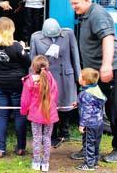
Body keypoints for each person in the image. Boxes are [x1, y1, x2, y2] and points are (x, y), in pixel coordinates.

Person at [69, 0, 117, 163]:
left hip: (111, 71)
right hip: (94, 74)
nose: (73, 7)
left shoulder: (98, 15)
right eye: (72, 3)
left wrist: (106, 66)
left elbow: (108, 38)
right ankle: (89, 147)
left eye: (76, 3)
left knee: (114, 110)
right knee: (90, 110)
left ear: (87, 0)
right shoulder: (86, 15)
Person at [30, 18, 80, 147]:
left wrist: (78, 75)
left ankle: (65, 131)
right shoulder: (35, 38)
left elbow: (75, 55)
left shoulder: (68, 34)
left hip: (65, 75)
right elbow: (33, 60)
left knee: (66, 104)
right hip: (47, 78)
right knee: (50, 105)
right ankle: (52, 133)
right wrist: (33, 79)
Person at [0, 17, 30, 158]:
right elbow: (28, 63)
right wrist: (23, 49)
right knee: (19, 114)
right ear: (10, 30)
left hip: (0, 82)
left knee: (3, 115)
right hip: (17, 83)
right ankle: (20, 148)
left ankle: (0, 149)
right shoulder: (16, 46)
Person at [20, 55, 59, 172]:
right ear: (47, 66)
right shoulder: (50, 78)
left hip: (35, 114)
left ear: (33, 67)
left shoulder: (30, 80)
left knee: (37, 138)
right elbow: (56, 94)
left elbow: (25, 99)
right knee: (47, 138)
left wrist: (23, 111)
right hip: (49, 113)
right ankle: (45, 163)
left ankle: (36, 162)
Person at [74, 68, 106, 171]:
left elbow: (87, 112)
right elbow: (92, 103)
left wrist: (82, 125)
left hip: (89, 124)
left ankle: (88, 164)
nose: (78, 78)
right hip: (99, 122)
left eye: (79, 76)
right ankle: (95, 162)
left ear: (84, 81)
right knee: (96, 143)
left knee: (88, 144)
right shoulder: (95, 89)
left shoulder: (86, 94)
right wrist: (79, 102)